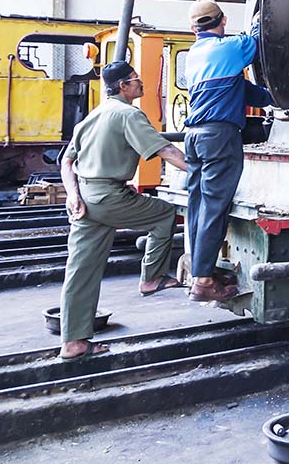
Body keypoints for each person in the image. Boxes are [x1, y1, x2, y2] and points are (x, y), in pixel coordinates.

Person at [59, 61, 188, 359]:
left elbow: (66, 161)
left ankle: (73, 342)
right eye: (136, 79)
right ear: (123, 86)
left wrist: (73, 195)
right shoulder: (129, 114)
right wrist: (203, 171)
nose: (141, 82)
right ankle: (152, 278)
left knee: (80, 270)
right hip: (109, 197)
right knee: (164, 214)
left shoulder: (93, 115)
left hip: (85, 199)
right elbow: (166, 150)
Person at [183, 0, 272, 302]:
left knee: (198, 206)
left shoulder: (194, 55)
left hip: (193, 137)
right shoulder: (230, 48)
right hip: (218, 137)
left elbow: (242, 90)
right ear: (223, 20)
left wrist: (272, 98)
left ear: (193, 30)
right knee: (214, 207)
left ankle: (201, 269)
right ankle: (204, 281)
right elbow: (261, 37)